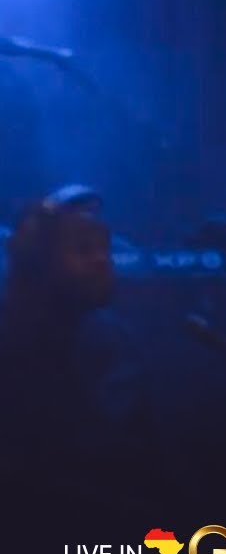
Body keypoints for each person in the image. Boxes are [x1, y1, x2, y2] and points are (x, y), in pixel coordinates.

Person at [0, 185, 157, 524]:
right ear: (38, 264)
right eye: (84, 249)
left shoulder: (111, 337)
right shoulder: (101, 340)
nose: (102, 260)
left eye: (104, 249)